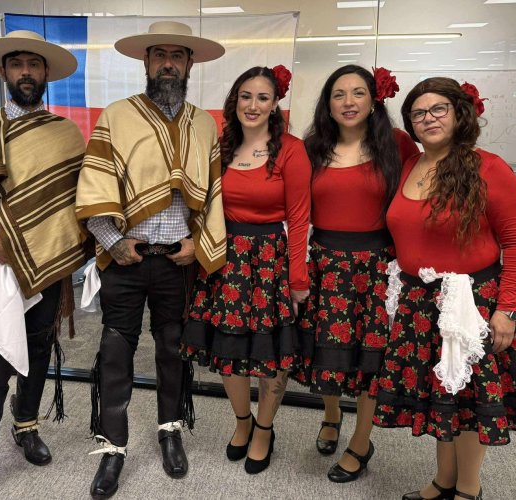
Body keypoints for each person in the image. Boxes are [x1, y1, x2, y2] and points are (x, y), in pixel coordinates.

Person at [371, 77, 516, 500]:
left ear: (459, 114)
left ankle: (468, 490)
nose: (428, 118)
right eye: (418, 113)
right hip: (421, 304)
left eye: (439, 109)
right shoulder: (409, 165)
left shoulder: (488, 168)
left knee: (469, 404)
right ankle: (443, 480)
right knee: (445, 400)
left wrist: (507, 310)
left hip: (473, 305)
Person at [75, 20, 227, 499]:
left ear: (189, 63)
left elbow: (213, 194)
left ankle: (169, 430)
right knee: (115, 350)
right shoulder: (117, 116)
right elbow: (94, 184)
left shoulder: (204, 124)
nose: (168, 64)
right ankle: (112, 447)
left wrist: (198, 244)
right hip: (126, 256)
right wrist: (111, 241)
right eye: (159, 55)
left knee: (172, 348)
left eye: (177, 56)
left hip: (177, 259)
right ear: (145, 61)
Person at [0, 30, 88, 500]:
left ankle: (26, 424)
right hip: (0, 262)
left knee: (38, 347)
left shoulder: (66, 132)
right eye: (17, 65)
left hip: (50, 261)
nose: (25, 72)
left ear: (46, 73)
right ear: (3, 72)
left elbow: (76, 199)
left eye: (33, 64)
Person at [181, 65, 311, 475]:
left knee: (273, 354)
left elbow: (299, 220)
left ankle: (265, 428)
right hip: (224, 259)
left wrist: (297, 279)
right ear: (234, 101)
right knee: (228, 349)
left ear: (275, 105)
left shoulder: (291, 150)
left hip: (270, 261)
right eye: (246, 96)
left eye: (263, 98)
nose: (253, 105)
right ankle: (242, 421)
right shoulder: (220, 147)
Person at [292, 65, 419, 483]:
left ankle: (361, 442)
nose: (349, 102)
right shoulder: (312, 147)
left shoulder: (397, 144)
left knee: (371, 360)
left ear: (373, 100)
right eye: (339, 94)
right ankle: (331, 415)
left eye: (358, 93)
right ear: (327, 104)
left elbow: (419, 198)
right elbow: (296, 212)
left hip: (377, 265)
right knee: (326, 352)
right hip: (325, 263)